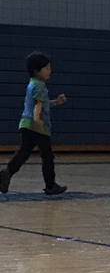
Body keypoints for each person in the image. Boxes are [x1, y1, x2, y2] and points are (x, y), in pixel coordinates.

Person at [0, 51, 68, 195]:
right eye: (47, 68)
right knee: (47, 155)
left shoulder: (33, 84)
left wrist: (55, 102)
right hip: (38, 126)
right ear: (37, 70)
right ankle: (50, 186)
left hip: (26, 123)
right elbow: (38, 105)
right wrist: (37, 120)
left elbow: (41, 103)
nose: (50, 71)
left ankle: (7, 173)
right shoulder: (39, 86)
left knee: (24, 151)